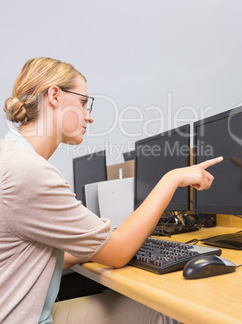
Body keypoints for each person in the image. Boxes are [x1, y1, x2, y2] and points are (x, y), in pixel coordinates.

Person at [0, 57, 223, 324]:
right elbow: (117, 254)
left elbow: (36, 254)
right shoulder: (29, 171)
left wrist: (92, 242)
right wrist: (172, 178)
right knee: (165, 313)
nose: (90, 116)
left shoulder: (11, 157)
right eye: (84, 102)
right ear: (55, 96)